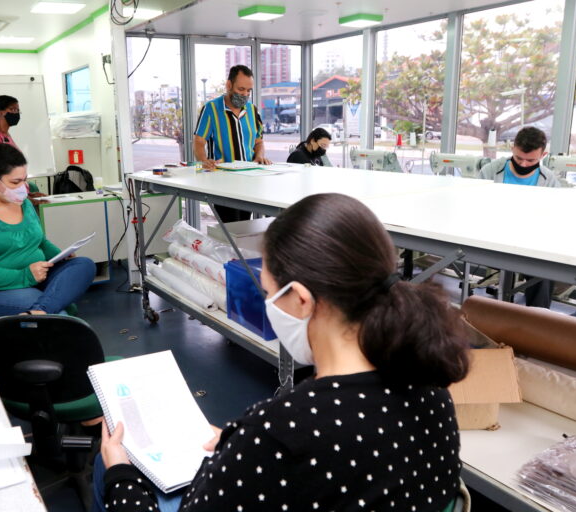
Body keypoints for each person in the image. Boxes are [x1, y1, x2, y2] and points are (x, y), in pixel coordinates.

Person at [94, 193, 470, 512]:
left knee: (110, 463)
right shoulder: (431, 389)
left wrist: (120, 476)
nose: (266, 305)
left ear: (302, 299)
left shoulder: (282, 430)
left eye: (267, 292)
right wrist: (238, 447)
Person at [0, 138, 96, 325]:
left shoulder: (23, 203)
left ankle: (39, 311)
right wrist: (25, 276)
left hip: (35, 276)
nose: (23, 188)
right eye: (15, 182)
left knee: (83, 265)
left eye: (25, 180)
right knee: (58, 315)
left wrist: (60, 256)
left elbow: (40, 241)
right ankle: (45, 311)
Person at [478, 126, 560, 308]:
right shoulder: (490, 172)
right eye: (518, 158)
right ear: (512, 148)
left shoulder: (549, 181)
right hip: (491, 237)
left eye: (530, 160)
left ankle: (537, 322)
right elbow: (476, 208)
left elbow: (553, 220)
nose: (523, 164)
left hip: (530, 242)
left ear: (543, 155)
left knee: (545, 270)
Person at [193, 64, 270, 223]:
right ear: (229, 85)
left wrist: (260, 156)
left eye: (249, 91)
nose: (245, 94)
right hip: (222, 182)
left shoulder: (252, 110)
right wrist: (204, 160)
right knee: (231, 227)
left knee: (243, 227)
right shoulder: (211, 108)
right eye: (241, 89)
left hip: (249, 180)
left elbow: (259, 141)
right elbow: (199, 141)